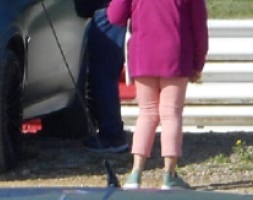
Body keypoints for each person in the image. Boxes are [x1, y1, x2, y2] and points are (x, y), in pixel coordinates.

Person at [106, 0, 209, 189]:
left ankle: (135, 173)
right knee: (171, 114)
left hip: (142, 53)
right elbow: (199, 28)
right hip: (176, 54)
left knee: (146, 114)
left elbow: (114, 17)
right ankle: (169, 175)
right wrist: (198, 62)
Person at [80, 5, 130, 154]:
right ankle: (110, 131)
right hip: (109, 11)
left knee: (103, 76)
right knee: (103, 75)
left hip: (108, 12)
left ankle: (112, 135)